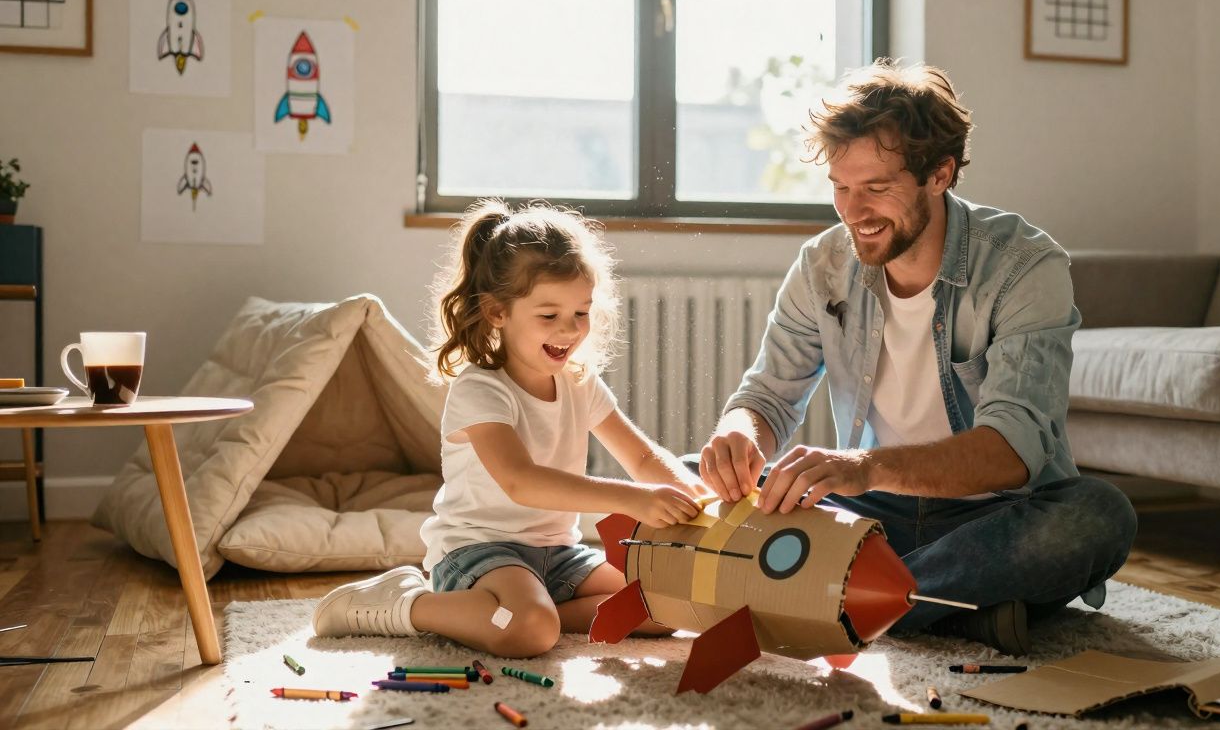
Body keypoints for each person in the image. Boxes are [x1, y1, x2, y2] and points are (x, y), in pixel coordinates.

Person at [698, 60, 1137, 656]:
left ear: (940, 173)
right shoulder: (823, 265)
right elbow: (768, 397)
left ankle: (838, 598)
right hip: (869, 514)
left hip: (995, 518)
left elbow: (1013, 447)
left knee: (1097, 517)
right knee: (687, 481)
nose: (853, 211)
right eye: (840, 188)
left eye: (876, 188)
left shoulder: (1025, 266)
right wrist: (737, 435)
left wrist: (864, 466)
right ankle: (944, 609)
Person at [314, 199, 704, 657]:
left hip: (557, 555)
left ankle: (529, 610)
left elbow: (640, 457)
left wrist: (703, 502)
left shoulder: (579, 382)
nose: (569, 330)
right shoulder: (480, 388)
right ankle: (408, 603)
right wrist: (634, 499)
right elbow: (521, 482)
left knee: (668, 606)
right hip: (477, 551)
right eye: (548, 315)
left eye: (581, 312)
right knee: (529, 632)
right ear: (498, 312)